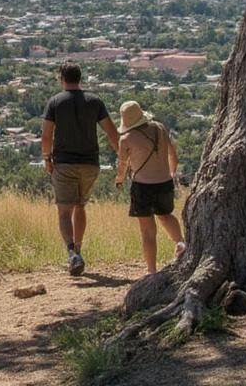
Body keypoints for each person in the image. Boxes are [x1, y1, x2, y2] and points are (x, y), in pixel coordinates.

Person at [41, 61, 120, 276]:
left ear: (62, 79)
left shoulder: (55, 102)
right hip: (90, 164)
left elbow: (47, 136)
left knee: (64, 211)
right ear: (80, 78)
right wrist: (123, 156)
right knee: (81, 206)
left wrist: (47, 158)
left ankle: (71, 253)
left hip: (64, 164)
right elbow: (112, 133)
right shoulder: (95, 101)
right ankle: (78, 249)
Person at [114, 100, 186, 275]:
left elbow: (122, 165)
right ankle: (182, 243)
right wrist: (171, 174)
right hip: (164, 182)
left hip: (142, 186)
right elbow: (173, 155)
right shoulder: (159, 128)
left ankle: (152, 271)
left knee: (147, 231)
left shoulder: (126, 139)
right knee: (166, 215)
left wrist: (120, 179)